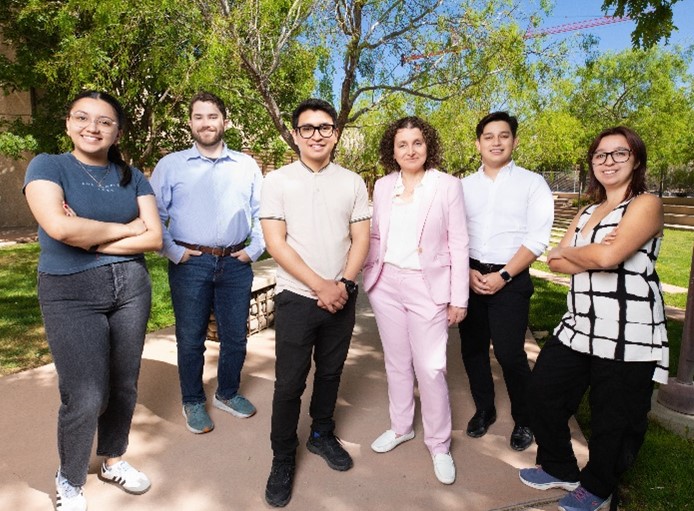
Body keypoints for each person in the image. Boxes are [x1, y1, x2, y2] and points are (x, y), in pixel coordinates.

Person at [23, 90, 162, 511]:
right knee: (85, 394)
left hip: (131, 289)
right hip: (69, 291)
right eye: (82, 118)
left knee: (123, 385)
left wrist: (91, 235)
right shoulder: (48, 166)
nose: (92, 127)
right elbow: (60, 230)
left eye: (104, 121)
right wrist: (126, 228)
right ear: (68, 123)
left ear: (117, 131)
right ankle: (69, 478)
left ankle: (113, 459)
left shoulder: (132, 176)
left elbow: (153, 237)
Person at [519, 126, 669, 511]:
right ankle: (559, 466)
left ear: (636, 159)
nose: (609, 161)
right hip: (579, 324)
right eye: (601, 155)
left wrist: (581, 252)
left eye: (620, 153)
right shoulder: (587, 210)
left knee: (613, 418)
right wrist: (588, 251)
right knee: (541, 394)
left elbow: (605, 259)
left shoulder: (645, 204)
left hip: (627, 328)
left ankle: (598, 486)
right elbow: (554, 259)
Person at [259, 98, 370, 507]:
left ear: (335, 133)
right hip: (296, 296)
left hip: (342, 295)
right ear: (295, 134)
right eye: (307, 128)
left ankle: (322, 434)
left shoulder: (353, 181)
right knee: (289, 383)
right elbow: (275, 243)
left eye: (325, 127)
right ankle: (283, 456)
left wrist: (342, 283)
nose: (317, 135)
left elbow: (361, 239)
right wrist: (320, 285)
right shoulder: (277, 180)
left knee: (330, 373)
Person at [149, 91, 264, 434]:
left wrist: (254, 249)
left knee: (235, 337)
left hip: (235, 263)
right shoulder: (172, 165)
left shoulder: (247, 165)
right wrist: (173, 251)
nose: (206, 123)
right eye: (198, 117)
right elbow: (153, 213)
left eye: (212, 116)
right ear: (190, 123)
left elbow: (264, 212)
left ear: (224, 121)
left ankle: (227, 394)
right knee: (190, 338)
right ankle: (194, 401)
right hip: (190, 263)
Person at [363, 116, 468, 485]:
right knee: (396, 362)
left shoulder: (447, 186)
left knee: (432, 366)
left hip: (429, 286)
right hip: (386, 283)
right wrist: (368, 275)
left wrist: (459, 297)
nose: (410, 150)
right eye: (402, 144)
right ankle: (401, 426)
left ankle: (439, 445)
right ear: (392, 150)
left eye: (417, 142)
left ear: (429, 146)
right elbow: (375, 235)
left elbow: (458, 243)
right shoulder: (382, 185)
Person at [458, 111, 554, 451]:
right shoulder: (463, 187)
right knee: (472, 351)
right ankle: (484, 410)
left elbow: (538, 238)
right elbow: (453, 235)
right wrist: (465, 272)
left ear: (514, 140)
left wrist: (503, 276)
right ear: (478, 143)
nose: (496, 142)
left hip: (510, 278)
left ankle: (525, 418)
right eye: (488, 136)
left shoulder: (532, 183)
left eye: (503, 135)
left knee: (511, 354)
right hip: (468, 276)